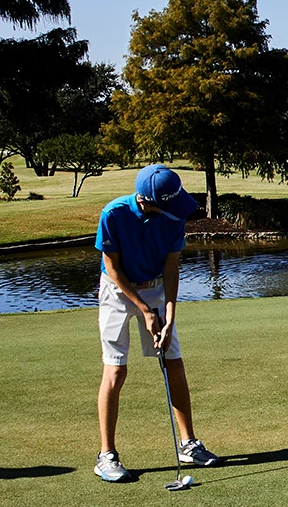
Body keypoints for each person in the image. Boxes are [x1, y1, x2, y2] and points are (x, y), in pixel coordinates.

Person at [92, 165, 224, 481]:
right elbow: (113, 270)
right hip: (117, 290)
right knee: (115, 369)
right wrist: (144, 311)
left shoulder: (173, 218)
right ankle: (106, 455)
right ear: (146, 200)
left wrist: (168, 316)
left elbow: (171, 269)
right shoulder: (113, 214)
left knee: (173, 363)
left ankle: (188, 444)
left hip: (156, 288)